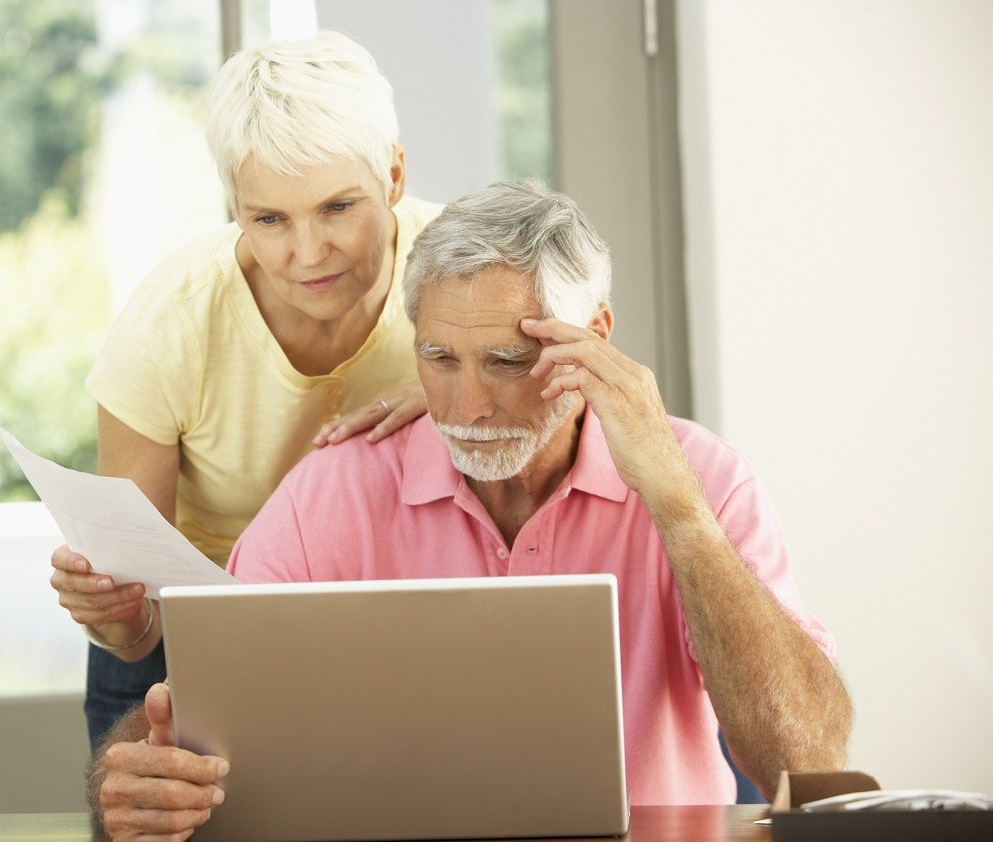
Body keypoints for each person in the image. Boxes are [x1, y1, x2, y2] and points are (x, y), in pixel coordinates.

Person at [87, 180, 854, 838]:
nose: (468, 408)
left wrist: (681, 514)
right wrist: (139, 774)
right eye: (439, 360)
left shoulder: (705, 479)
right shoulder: (334, 492)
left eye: (508, 362)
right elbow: (187, 718)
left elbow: (809, 759)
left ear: (594, 337)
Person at [48, 32, 441, 751]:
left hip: (388, 614)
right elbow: (135, 633)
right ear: (234, 205)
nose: (308, 253)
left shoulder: (459, 280)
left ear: (393, 175)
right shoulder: (169, 323)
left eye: (338, 207)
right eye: (269, 219)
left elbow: (578, 389)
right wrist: (113, 611)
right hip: (198, 621)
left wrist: (457, 390)